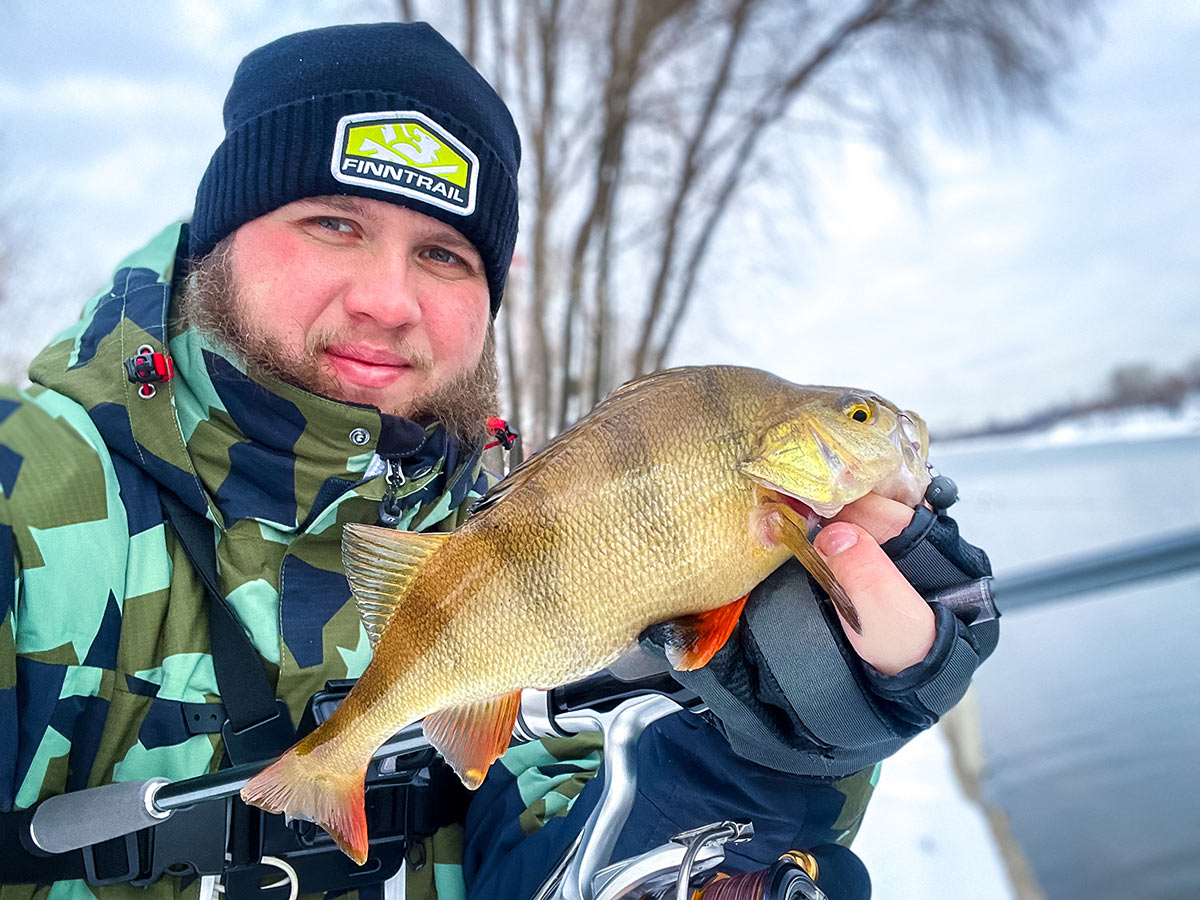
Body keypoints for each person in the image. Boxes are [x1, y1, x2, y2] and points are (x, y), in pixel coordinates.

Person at [0, 21, 998, 900]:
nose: (387, 299)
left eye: (444, 254)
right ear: (218, 240)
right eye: (334, 224)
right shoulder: (27, 497)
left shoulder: (493, 517)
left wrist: (786, 758)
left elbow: (562, 855)